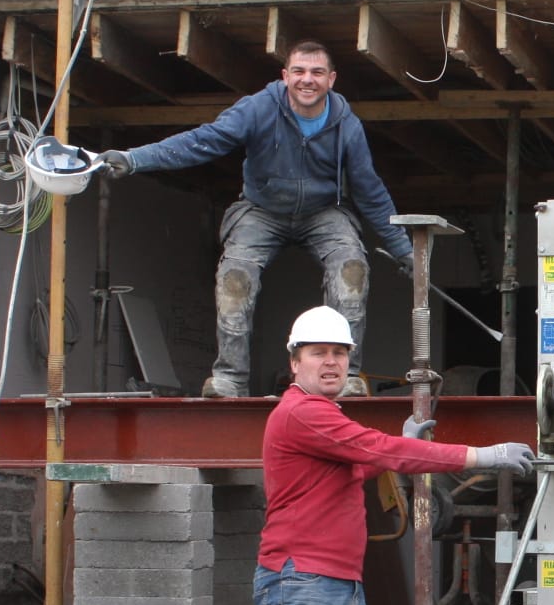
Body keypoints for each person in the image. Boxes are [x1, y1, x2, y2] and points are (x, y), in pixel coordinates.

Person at [239, 305, 535, 605]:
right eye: (319, 353)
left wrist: (398, 443)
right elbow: (378, 449)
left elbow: (358, 462)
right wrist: (484, 455)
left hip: (339, 585)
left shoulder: (322, 418)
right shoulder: (302, 412)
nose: (332, 362)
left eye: (340, 352)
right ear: (295, 362)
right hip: (301, 582)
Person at [100, 40, 410, 398]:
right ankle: (229, 379)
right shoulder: (259, 109)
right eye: (299, 71)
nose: (307, 80)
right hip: (262, 209)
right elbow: (203, 141)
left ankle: (347, 378)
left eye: (317, 72)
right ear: (285, 76)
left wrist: (405, 250)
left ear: (332, 79)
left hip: (323, 211)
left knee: (351, 269)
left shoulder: (347, 126)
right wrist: (136, 159)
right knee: (236, 277)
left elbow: (370, 191)